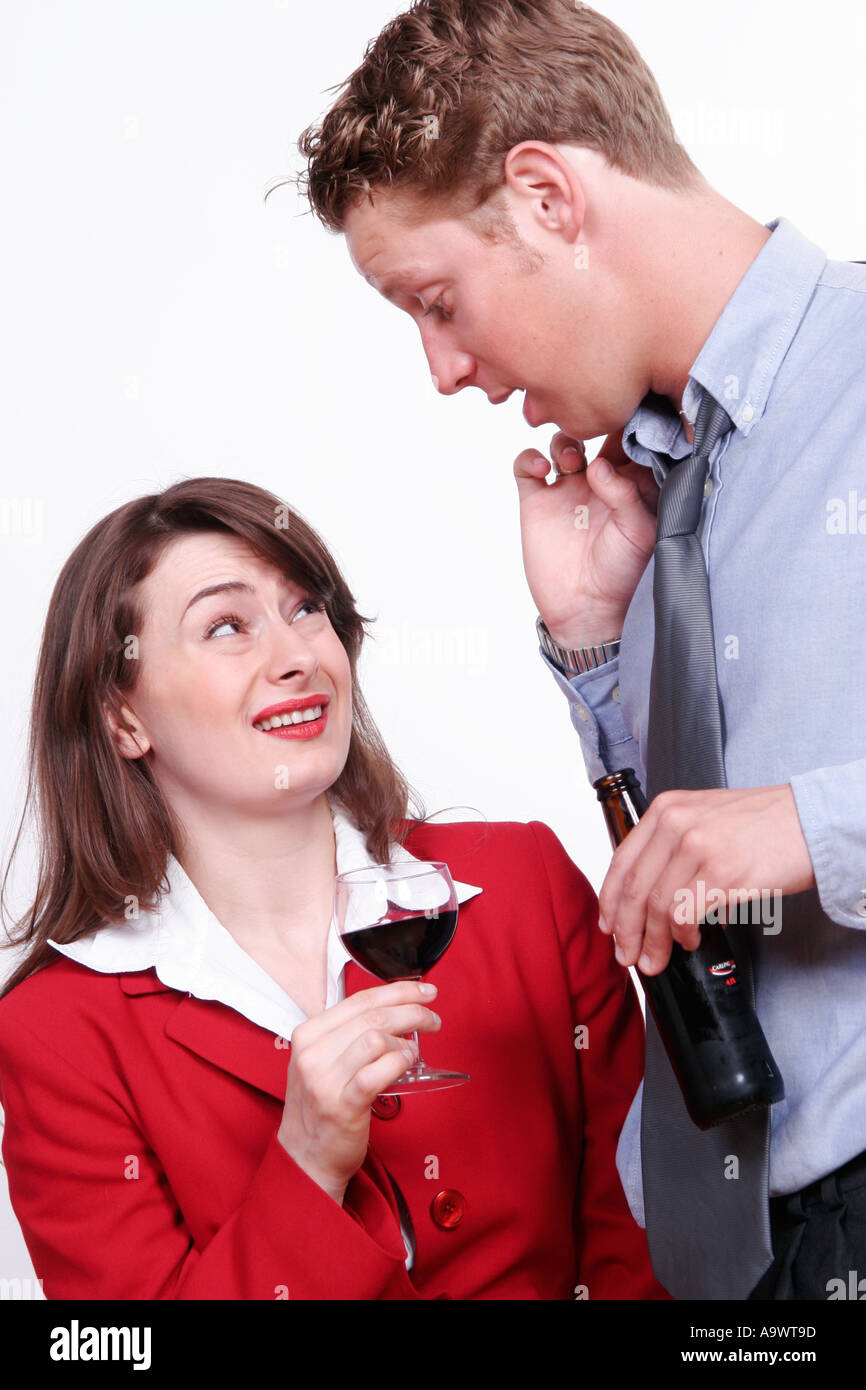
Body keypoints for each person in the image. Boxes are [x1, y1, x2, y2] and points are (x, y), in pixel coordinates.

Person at [293, 0, 866, 1299]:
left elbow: (781, 832)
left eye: (437, 302)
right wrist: (602, 651)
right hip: (750, 1253)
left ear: (547, 198)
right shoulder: (660, 485)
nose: (442, 370)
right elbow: (693, 871)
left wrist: (814, 823)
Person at [0, 475, 666, 1301]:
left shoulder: (524, 884)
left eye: (306, 609)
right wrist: (308, 1165)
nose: (298, 657)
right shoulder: (56, 1035)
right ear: (123, 719)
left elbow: (650, 1236)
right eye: (226, 626)